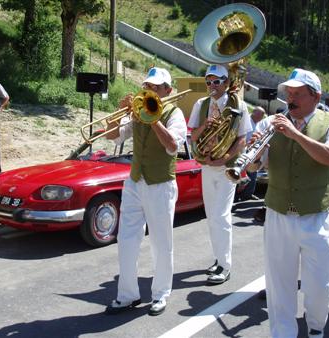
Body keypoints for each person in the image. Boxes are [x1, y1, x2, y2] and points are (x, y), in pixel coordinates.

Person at [251, 68, 329, 338]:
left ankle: (316, 326)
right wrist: (253, 153)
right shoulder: (271, 123)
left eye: (297, 94)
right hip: (277, 214)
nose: (290, 99)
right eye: (288, 93)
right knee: (278, 284)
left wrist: (296, 135)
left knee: (319, 286)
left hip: (314, 215)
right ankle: (283, 333)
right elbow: (253, 165)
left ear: (315, 96)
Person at [104, 67, 187, 316]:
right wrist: (119, 113)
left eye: (155, 87)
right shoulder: (137, 110)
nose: (149, 90)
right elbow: (112, 137)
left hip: (161, 183)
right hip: (134, 181)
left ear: (167, 91)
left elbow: (173, 146)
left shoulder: (175, 112)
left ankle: (160, 294)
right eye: (147, 85)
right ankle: (127, 295)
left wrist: (153, 119)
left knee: (161, 243)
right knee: (126, 240)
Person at [188, 64, 252, 285]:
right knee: (211, 215)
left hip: (226, 167)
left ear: (226, 83)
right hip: (207, 164)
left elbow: (243, 139)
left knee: (222, 215)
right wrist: (206, 124)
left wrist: (225, 158)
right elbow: (193, 137)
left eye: (217, 82)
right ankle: (219, 258)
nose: (212, 86)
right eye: (208, 82)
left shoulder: (239, 105)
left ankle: (225, 266)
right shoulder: (200, 104)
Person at [240, 106, 266, 201]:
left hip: (254, 152)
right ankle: (237, 196)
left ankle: (248, 194)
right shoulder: (246, 121)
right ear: (254, 113)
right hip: (243, 151)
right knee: (241, 175)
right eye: (260, 114)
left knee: (253, 175)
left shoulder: (259, 124)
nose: (261, 117)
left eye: (262, 115)